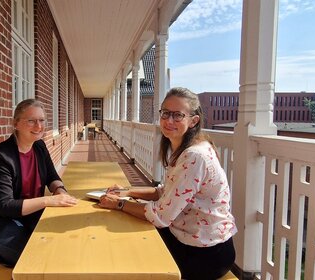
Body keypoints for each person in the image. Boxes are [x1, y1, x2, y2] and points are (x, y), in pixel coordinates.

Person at [99, 87, 237, 280]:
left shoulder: (195, 156)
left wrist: (119, 205)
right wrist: (127, 192)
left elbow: (160, 216)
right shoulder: (187, 149)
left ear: (193, 121)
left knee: (129, 247)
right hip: (193, 240)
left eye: (178, 115)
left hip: (205, 254)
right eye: (165, 113)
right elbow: (165, 191)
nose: (168, 120)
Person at [0, 99, 78, 267]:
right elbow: (4, 206)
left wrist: (60, 191)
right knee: (40, 259)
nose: (38, 126)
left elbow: (51, 176)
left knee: (62, 241)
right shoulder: (1, 157)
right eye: (31, 121)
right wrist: (49, 200)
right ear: (16, 124)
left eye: (41, 120)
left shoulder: (39, 146)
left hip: (26, 218)